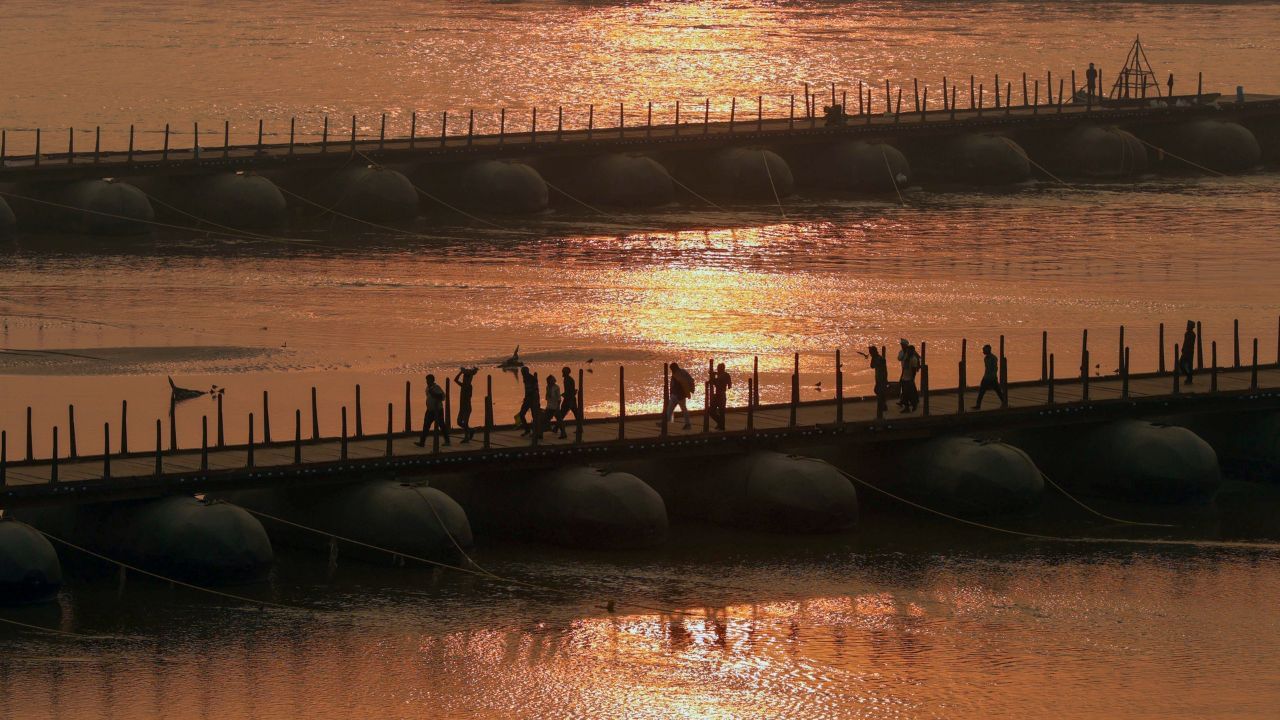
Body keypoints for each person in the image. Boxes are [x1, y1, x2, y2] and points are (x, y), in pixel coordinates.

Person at [415, 374, 449, 446]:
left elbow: (442, 397)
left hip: (438, 410)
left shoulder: (436, 387)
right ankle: (422, 442)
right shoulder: (428, 388)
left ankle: (447, 441)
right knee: (426, 426)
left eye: (428, 380)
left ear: (432, 380)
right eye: (426, 380)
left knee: (442, 425)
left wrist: (433, 393)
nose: (427, 381)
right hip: (430, 410)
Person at [972, 344, 1003, 410]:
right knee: (981, 391)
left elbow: (995, 368)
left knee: (998, 391)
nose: (983, 351)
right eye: (983, 350)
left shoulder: (994, 358)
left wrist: (992, 377)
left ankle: (1004, 402)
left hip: (992, 377)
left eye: (984, 350)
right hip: (986, 377)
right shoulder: (985, 358)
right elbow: (987, 369)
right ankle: (978, 405)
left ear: (988, 350)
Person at [666, 362, 695, 430]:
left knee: (684, 409)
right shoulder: (675, 373)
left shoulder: (681, 373)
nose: (672, 371)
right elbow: (673, 384)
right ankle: (665, 421)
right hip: (674, 394)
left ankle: (688, 424)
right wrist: (671, 393)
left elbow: (689, 381)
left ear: (675, 368)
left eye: (672, 369)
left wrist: (690, 390)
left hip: (680, 395)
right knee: (670, 408)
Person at [454, 367, 478, 443]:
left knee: (465, 423)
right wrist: (461, 372)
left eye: (467, 379)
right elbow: (455, 380)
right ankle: (471, 430)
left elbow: (470, 376)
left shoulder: (469, 386)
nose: (465, 380)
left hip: (467, 407)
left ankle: (466, 438)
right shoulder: (463, 385)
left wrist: (470, 374)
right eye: (464, 378)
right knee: (459, 422)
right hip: (462, 407)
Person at [897, 339, 921, 413]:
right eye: (901, 345)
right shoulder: (902, 353)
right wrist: (901, 377)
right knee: (907, 391)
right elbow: (900, 359)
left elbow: (917, 361)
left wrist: (912, 378)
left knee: (909, 391)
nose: (902, 346)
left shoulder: (913, 357)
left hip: (910, 375)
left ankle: (912, 403)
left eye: (903, 345)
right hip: (905, 373)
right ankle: (909, 404)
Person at [516, 366, 540, 435]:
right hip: (527, 400)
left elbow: (535, 390)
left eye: (523, 372)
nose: (522, 374)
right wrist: (526, 397)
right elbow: (527, 390)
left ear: (527, 372)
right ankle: (527, 429)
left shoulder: (532, 378)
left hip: (533, 400)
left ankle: (536, 431)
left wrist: (531, 397)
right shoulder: (525, 378)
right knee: (521, 414)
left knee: (534, 416)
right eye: (522, 373)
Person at [558, 367, 581, 439]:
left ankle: (556, 427)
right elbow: (569, 390)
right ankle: (580, 428)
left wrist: (566, 395)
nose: (562, 373)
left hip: (569, 399)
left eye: (563, 372)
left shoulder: (569, 380)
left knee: (562, 413)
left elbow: (570, 391)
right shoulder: (567, 379)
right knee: (565, 413)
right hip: (569, 398)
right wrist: (565, 394)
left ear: (566, 373)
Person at [708, 362, 732, 430]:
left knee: (720, 412)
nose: (717, 370)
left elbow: (715, 382)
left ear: (721, 369)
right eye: (717, 369)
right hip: (718, 395)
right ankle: (720, 423)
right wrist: (714, 374)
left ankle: (721, 425)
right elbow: (729, 386)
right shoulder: (724, 374)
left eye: (718, 369)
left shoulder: (723, 376)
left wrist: (713, 376)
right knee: (712, 411)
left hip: (721, 395)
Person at [540, 375, 561, 440]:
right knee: (546, 419)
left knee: (558, 420)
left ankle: (540, 434)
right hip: (549, 406)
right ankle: (541, 432)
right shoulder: (547, 387)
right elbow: (547, 397)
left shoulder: (556, 387)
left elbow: (559, 399)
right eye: (552, 379)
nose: (554, 380)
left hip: (555, 406)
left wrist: (558, 407)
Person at [869, 346, 888, 415]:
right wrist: (872, 358)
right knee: (879, 391)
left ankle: (883, 405)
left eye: (871, 353)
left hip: (882, 378)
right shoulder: (875, 358)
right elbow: (872, 366)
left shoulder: (881, 359)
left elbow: (885, 370)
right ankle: (884, 404)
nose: (870, 354)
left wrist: (885, 379)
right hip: (878, 377)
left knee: (879, 391)